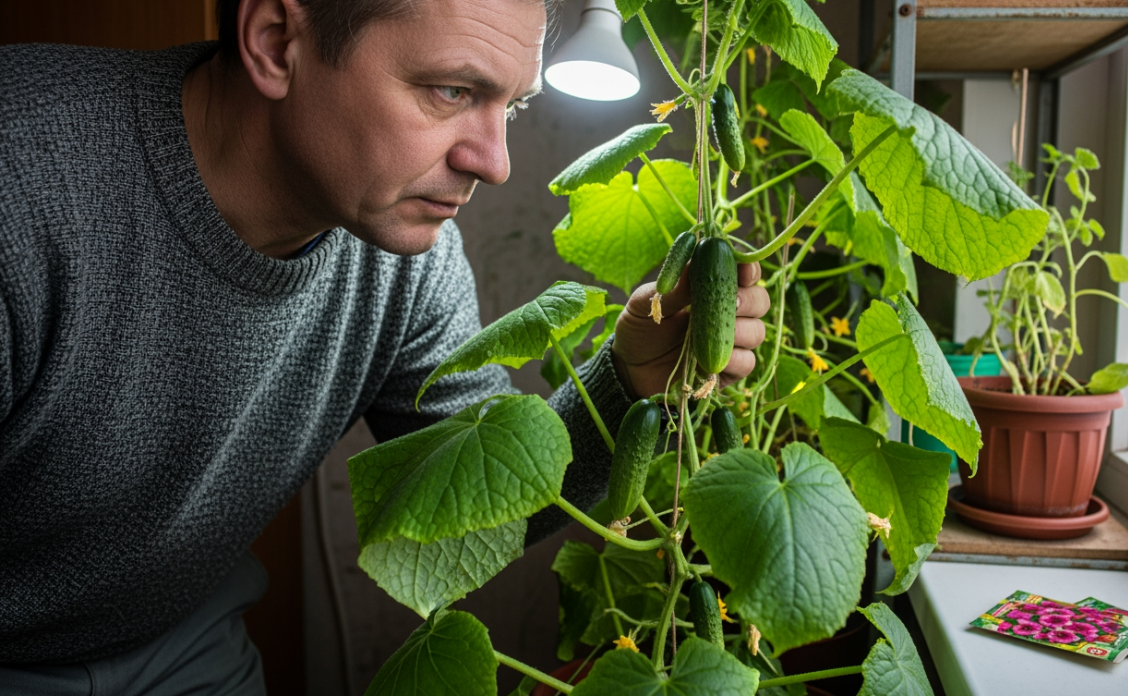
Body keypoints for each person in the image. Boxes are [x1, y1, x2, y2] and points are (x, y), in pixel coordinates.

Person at [0, 0, 770, 692]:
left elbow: (481, 500)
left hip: (184, 641)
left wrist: (627, 380)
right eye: (452, 91)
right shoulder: (21, 181)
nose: (495, 163)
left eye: (514, 105)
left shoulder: (409, 262)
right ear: (274, 42)